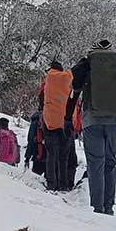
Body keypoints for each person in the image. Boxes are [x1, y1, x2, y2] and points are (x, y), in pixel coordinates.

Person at [68, 39, 116, 215]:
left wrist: (68, 116)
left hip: (92, 120)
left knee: (95, 163)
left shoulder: (87, 63)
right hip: (115, 121)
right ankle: (109, 207)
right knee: (110, 161)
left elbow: (74, 87)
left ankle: (97, 208)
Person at [40, 61, 74, 191]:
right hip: (65, 120)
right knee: (64, 156)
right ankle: (63, 185)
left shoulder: (48, 78)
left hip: (50, 121)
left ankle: (51, 183)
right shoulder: (66, 78)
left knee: (51, 154)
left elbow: (41, 99)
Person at [24, 111, 46, 176]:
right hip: (53, 158)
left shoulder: (35, 123)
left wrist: (27, 159)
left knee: (36, 181)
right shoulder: (53, 119)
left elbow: (30, 142)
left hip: (38, 157)